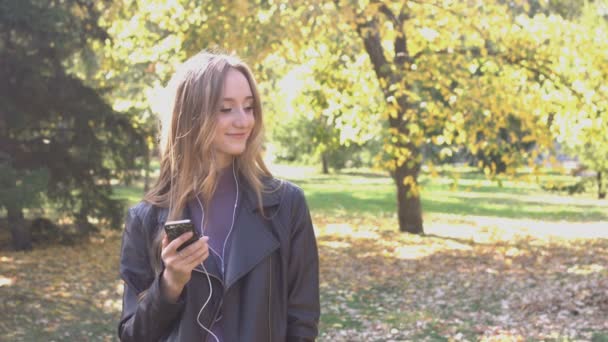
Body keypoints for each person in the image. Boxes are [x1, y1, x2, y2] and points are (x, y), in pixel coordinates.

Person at [118, 51, 320, 342]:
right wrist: (169, 284)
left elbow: (302, 321)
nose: (244, 121)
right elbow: (133, 336)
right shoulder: (145, 218)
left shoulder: (286, 205)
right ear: (190, 115)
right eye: (226, 109)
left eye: (249, 107)